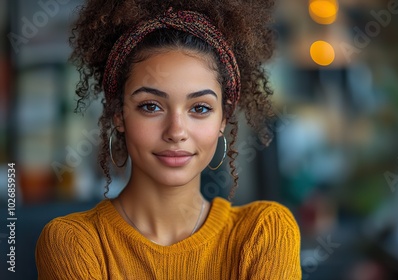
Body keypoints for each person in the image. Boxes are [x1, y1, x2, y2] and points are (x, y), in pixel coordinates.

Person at [35, 0, 301, 279]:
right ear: (118, 113)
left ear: (223, 119)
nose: (176, 131)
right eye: (151, 106)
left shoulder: (264, 232)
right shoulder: (74, 243)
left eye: (200, 108)